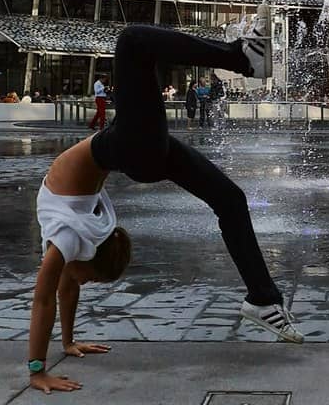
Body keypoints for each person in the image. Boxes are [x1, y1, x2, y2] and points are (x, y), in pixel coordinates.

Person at [25, 20, 303, 394]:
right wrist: (40, 367)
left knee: (231, 200)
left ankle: (263, 300)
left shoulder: (69, 246)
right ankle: (239, 58)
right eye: (90, 278)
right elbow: (53, 295)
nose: (81, 283)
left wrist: (61, 350)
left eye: (87, 279)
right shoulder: (67, 241)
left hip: (131, 148)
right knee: (134, 42)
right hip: (129, 148)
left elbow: (53, 297)